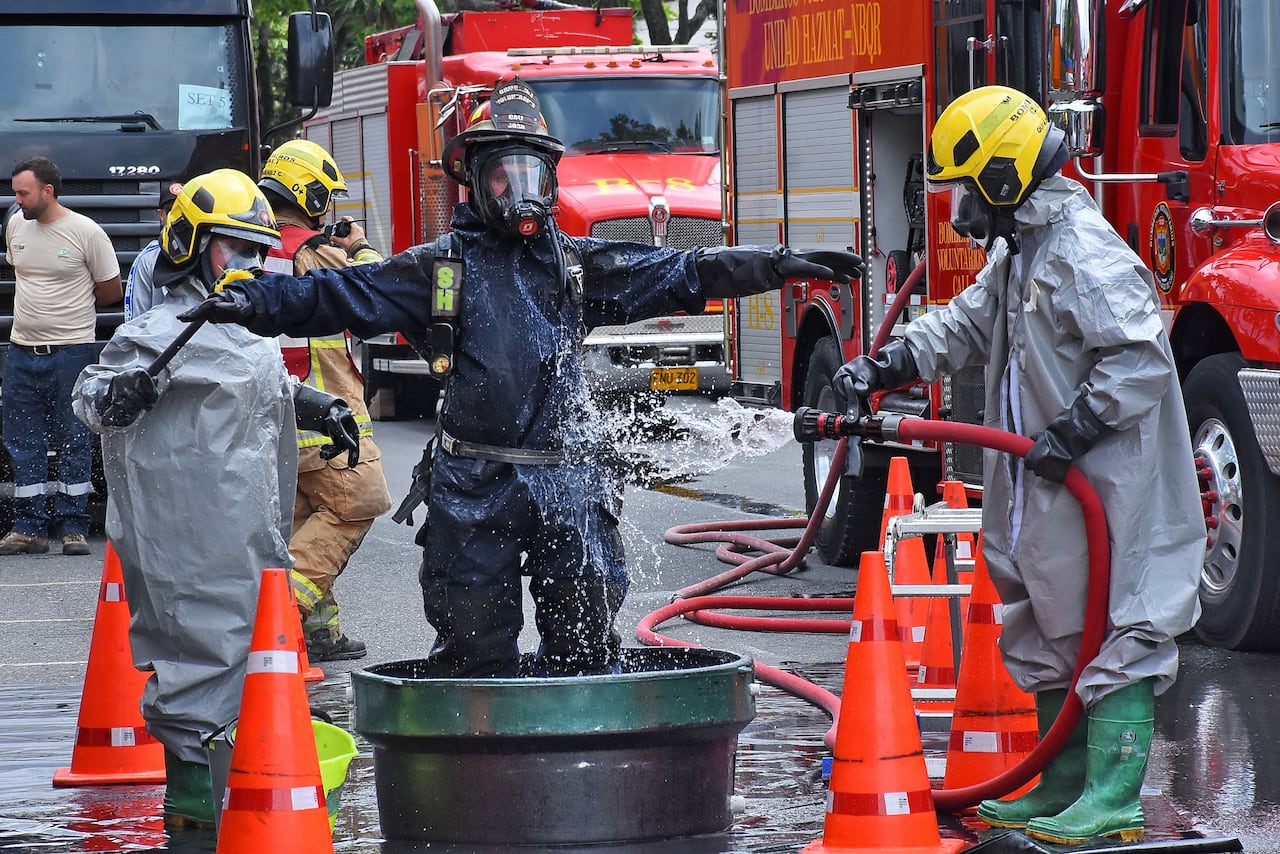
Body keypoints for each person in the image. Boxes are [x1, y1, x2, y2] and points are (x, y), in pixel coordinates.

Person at [182, 76, 865, 679]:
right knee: (474, 652)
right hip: (472, 487)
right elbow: (337, 295)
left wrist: (778, 264)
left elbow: (684, 272)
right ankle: (478, 794)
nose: (519, 192)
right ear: (475, 182)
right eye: (503, 176)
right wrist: (254, 299)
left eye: (530, 173)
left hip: (567, 482)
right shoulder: (439, 268)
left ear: (550, 177)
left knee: (586, 650)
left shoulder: (577, 263)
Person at [834, 85, 1203, 844]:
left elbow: (1137, 358)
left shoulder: (1081, 252)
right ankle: (1062, 782)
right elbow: (968, 323)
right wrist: (889, 361)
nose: (961, 209)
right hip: (1055, 484)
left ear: (1003, 178)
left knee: (1120, 626)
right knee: (1053, 625)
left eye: (968, 190)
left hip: (1109, 486)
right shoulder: (1025, 251)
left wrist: (1073, 432)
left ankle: (1113, 798)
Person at [70, 169, 360, 826]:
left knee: (247, 665)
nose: (250, 265)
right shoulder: (159, 331)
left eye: (259, 251)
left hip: (248, 534)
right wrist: (116, 396)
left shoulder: (243, 330)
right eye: (235, 249)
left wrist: (317, 405)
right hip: (189, 535)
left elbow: (261, 390)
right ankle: (201, 811)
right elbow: (94, 393)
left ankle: (243, 796)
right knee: (201, 661)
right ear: (191, 247)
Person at [257, 138, 393, 662]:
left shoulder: (255, 243)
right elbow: (380, 292)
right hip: (327, 418)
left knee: (301, 520)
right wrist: (359, 246)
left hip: (275, 416)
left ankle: (319, 634)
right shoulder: (313, 250)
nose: (329, 205)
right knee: (360, 503)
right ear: (305, 191)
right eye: (324, 194)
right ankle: (281, 616)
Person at [1, 156, 121, 557]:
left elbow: (110, 291)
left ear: (48, 191)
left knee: (74, 440)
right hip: (21, 354)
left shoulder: (86, 232)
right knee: (23, 442)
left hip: (72, 351)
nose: (16, 200)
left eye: (23, 192)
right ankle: (29, 528)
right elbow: (22, 272)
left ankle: (73, 527)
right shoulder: (16, 224)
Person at [123, 181, 181, 322]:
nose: (177, 217)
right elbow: (135, 320)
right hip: (162, 343)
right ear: (161, 215)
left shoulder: (207, 253)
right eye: (171, 211)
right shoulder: (148, 258)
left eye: (183, 210)